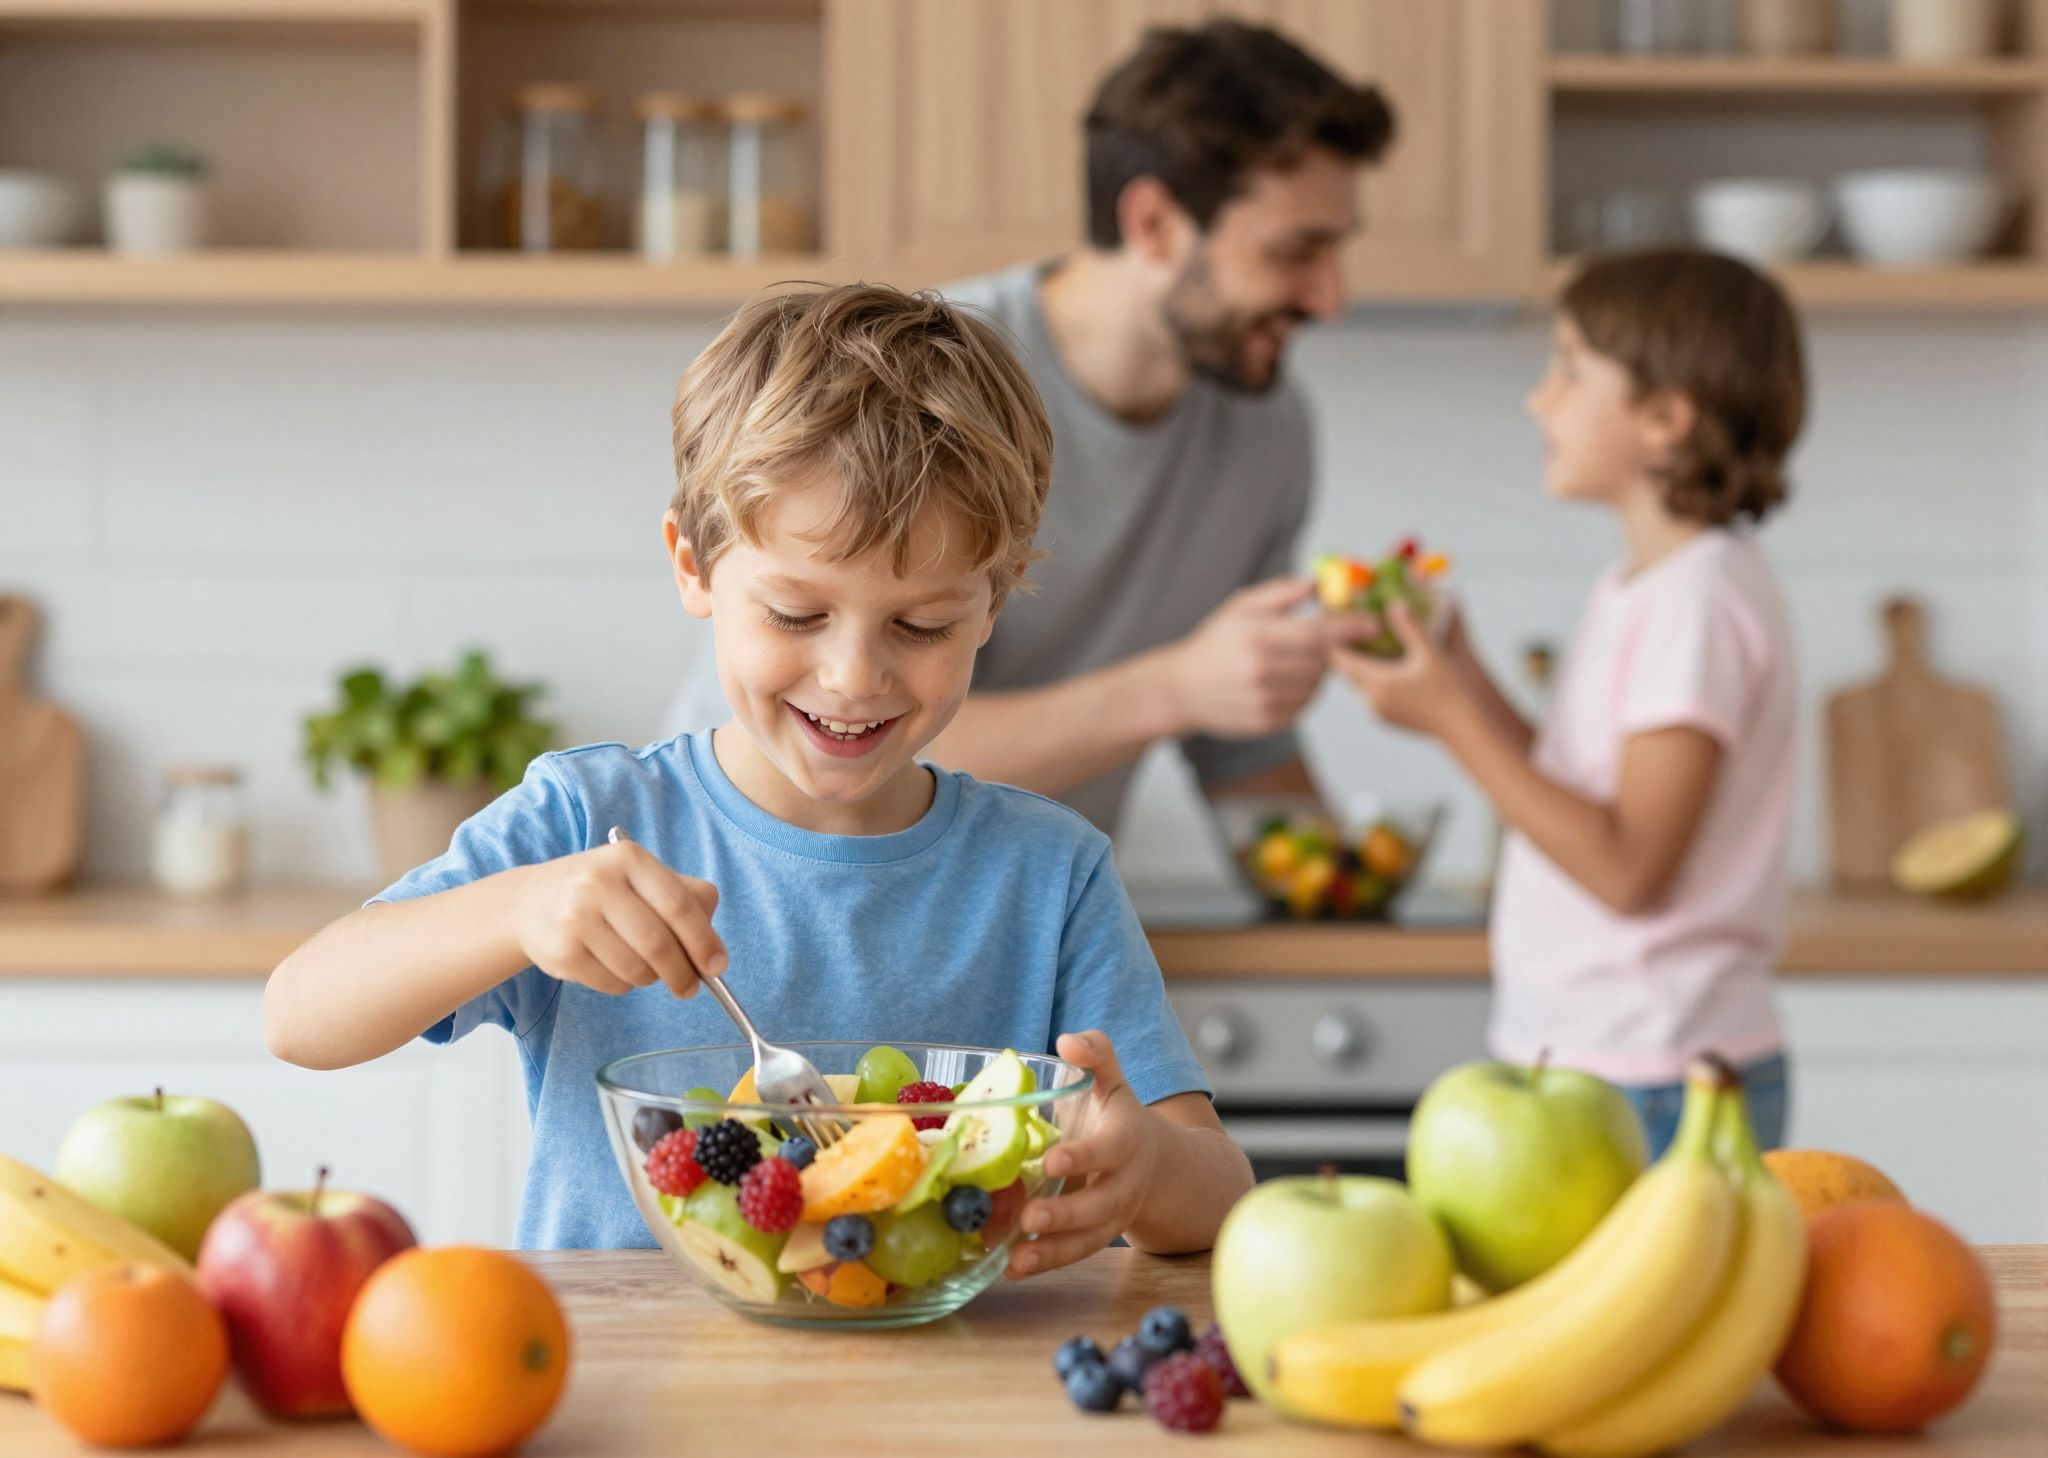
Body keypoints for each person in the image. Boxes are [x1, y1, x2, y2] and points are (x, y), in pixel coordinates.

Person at [264, 285, 1252, 1267]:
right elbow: (299, 1014)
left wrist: (1145, 1171)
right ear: (692, 564)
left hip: (945, 1366)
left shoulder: (1050, 875)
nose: (854, 676)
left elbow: (1218, 1192)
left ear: (992, 606)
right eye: (795, 614)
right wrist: (516, 911)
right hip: (621, 1366)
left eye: (922, 625)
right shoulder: (587, 821)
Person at [666, 19, 1398, 834]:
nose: (1331, 298)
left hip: (1027, 893)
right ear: (1154, 223)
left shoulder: (1267, 429)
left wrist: (1342, 876)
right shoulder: (928, 385)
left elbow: (1237, 740)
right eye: (1297, 251)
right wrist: (1173, 688)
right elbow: (849, 726)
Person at [1333, 249, 1805, 1156]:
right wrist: (1462, 675)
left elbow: (1628, 868)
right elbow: (1577, 792)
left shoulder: (1698, 602)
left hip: (1655, 1072)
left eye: (1570, 369)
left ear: (1665, 418)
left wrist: (1451, 719)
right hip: (1612, 1060)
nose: (1538, 400)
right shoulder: (1649, 586)